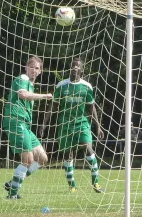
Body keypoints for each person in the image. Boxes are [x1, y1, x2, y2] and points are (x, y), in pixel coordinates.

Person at [39, 57, 105, 193]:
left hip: (82, 123)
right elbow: (53, 105)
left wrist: (98, 126)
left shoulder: (86, 87)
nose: (74, 68)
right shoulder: (62, 85)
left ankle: (96, 183)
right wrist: (44, 124)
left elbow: (91, 107)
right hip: (65, 125)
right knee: (68, 155)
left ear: (82, 69)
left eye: (77, 66)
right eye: (73, 66)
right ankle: (72, 185)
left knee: (88, 148)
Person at [2, 56, 52, 199]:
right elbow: (23, 95)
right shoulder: (23, 78)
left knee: (42, 158)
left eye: (37, 68)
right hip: (16, 120)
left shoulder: (31, 84)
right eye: (31, 67)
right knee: (28, 159)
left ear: (40, 71)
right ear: (26, 68)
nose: (34, 70)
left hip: (25, 124)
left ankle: (13, 183)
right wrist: (44, 96)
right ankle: (12, 195)